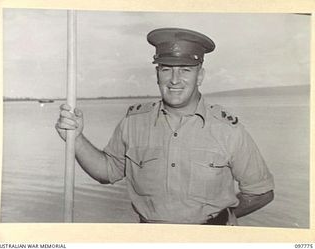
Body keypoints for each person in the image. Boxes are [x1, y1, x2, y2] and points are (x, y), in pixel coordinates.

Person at [55, 28, 274, 225]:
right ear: (157, 74)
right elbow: (107, 172)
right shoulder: (134, 122)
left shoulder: (228, 130)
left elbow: (261, 192)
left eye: (186, 70)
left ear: (200, 76)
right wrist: (76, 138)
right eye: (166, 69)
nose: (174, 80)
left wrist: (224, 219)